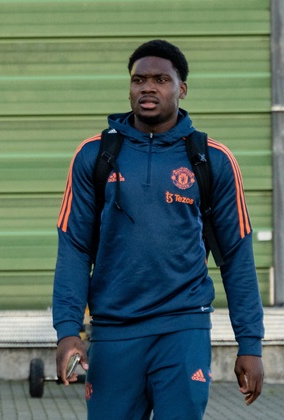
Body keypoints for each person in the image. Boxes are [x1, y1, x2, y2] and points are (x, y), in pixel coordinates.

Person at [52, 39, 264, 419]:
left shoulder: (212, 159)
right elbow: (74, 248)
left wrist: (250, 343)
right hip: (114, 332)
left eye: (161, 79)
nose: (147, 87)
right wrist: (68, 331)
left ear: (181, 89)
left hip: (183, 329)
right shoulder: (94, 155)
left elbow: (235, 256)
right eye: (138, 79)